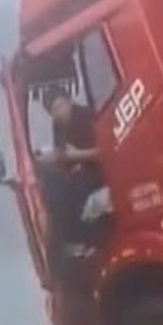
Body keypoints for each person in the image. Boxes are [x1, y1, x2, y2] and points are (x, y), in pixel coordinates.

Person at [37, 85, 106, 252]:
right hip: (81, 171)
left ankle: (86, 239)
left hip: (101, 170)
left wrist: (77, 156)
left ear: (69, 101)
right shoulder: (59, 125)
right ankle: (68, 241)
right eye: (53, 111)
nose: (59, 113)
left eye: (61, 106)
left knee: (71, 194)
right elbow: (63, 154)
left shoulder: (86, 116)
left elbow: (107, 152)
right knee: (51, 185)